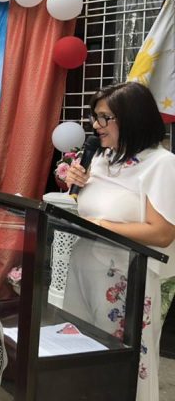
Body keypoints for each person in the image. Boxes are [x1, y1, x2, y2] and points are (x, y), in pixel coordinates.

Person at [64, 82, 175, 401]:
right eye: (93, 117)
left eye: (103, 118)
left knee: (127, 362)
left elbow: (163, 231)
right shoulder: (102, 157)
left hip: (127, 278)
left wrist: (102, 224)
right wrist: (78, 185)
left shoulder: (161, 164)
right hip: (84, 266)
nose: (95, 126)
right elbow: (91, 205)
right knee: (84, 353)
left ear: (132, 118)